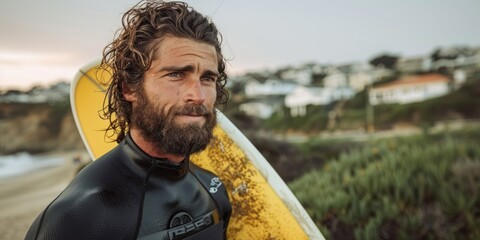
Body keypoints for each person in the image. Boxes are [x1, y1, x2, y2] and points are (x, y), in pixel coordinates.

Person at [25, 1, 232, 239]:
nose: (198, 95)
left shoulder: (214, 191)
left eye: (207, 78)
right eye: (175, 74)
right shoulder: (77, 218)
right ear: (129, 88)